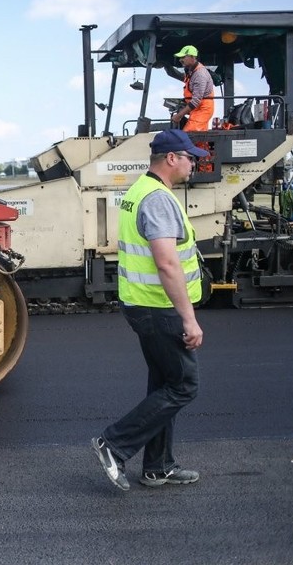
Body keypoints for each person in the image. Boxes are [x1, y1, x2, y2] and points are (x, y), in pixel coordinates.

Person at [91, 129, 207, 491]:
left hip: (142, 303)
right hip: (159, 309)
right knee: (184, 385)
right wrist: (189, 319)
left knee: (164, 383)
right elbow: (167, 264)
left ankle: (158, 467)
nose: (194, 164)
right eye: (190, 157)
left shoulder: (140, 190)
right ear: (171, 158)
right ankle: (113, 444)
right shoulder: (157, 198)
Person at [168, 45, 214, 132]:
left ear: (193, 57)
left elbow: (196, 101)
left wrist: (179, 115)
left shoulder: (200, 74)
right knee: (200, 140)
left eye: (183, 57)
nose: (180, 60)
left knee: (189, 135)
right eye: (180, 57)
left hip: (203, 110)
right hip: (196, 109)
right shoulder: (191, 71)